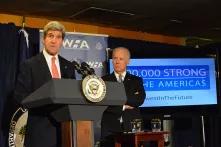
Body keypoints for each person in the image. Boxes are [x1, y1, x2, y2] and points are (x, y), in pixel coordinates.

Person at [14, 21, 75, 147]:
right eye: (50, 36)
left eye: (58, 37)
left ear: (62, 42)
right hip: (40, 133)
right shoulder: (30, 65)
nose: (54, 41)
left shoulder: (68, 66)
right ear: (44, 39)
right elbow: (20, 96)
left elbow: (73, 94)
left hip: (66, 132)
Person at [100, 47, 146, 147]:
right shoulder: (103, 81)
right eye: (115, 58)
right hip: (110, 129)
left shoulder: (136, 80)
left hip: (132, 127)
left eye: (121, 59)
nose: (117, 62)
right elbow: (103, 103)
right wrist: (124, 106)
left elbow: (139, 100)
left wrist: (116, 99)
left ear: (128, 61)